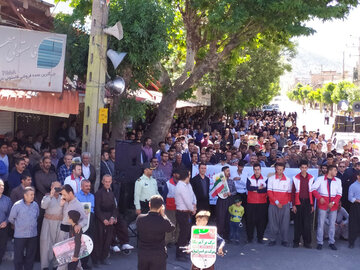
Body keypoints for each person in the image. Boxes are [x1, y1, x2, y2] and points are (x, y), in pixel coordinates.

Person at [137, 195, 175, 270]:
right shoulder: (163, 221)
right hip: (158, 254)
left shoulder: (140, 218)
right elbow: (171, 228)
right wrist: (163, 215)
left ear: (149, 204)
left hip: (143, 253)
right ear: (161, 207)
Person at [311, 165, 342, 250]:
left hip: (333, 205)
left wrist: (333, 202)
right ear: (330, 171)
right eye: (335, 170)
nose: (336, 172)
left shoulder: (338, 181)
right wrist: (319, 197)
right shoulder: (320, 179)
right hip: (323, 203)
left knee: (332, 224)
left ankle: (332, 242)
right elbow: (313, 189)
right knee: (321, 224)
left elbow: (339, 193)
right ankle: (319, 242)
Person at [57, 185, 87, 270]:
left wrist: (79, 225)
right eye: (62, 195)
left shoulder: (78, 205)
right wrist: (61, 206)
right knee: (72, 259)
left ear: (70, 193)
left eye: (64, 195)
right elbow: (61, 216)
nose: (63, 197)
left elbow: (85, 219)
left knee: (64, 258)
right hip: (62, 231)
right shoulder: (65, 201)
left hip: (71, 233)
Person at [8, 187, 39, 270]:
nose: (33, 196)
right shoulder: (17, 205)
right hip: (20, 235)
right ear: (25, 195)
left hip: (32, 235)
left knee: (30, 257)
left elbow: (37, 216)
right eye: (31, 195)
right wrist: (19, 225)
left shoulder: (35, 205)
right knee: (18, 257)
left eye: (33, 194)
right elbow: (11, 218)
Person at [267, 162, 292, 247]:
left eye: (281, 169)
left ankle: (284, 240)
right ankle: (273, 239)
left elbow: (289, 194)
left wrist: (287, 203)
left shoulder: (288, 180)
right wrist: (277, 202)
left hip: (284, 205)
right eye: (277, 169)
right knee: (273, 222)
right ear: (275, 169)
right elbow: (269, 193)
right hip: (273, 204)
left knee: (285, 223)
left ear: (284, 170)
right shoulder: (271, 179)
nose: (279, 171)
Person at [95, 175, 117, 265]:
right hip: (100, 218)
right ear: (102, 182)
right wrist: (103, 219)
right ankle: (96, 260)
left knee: (108, 239)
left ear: (111, 182)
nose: (107, 183)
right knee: (99, 239)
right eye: (106, 181)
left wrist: (113, 217)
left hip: (110, 218)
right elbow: (97, 209)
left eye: (109, 181)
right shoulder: (98, 193)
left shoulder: (112, 193)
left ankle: (104, 258)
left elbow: (115, 208)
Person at [291, 160, 315, 249]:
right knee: (298, 223)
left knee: (307, 223)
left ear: (307, 168)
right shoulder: (295, 178)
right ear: (300, 168)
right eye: (302, 168)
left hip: (308, 202)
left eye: (305, 168)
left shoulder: (312, 178)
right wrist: (293, 205)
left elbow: (313, 193)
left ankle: (307, 242)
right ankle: (296, 242)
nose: (304, 169)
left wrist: (312, 205)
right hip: (298, 202)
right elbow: (293, 192)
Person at [40, 181, 63, 270]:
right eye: (55, 187)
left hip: (60, 224)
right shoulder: (46, 197)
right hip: (48, 223)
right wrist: (51, 195)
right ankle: (44, 266)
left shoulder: (63, 198)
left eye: (59, 187)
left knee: (59, 244)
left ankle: (56, 265)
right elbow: (43, 206)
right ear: (51, 187)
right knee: (45, 244)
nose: (57, 190)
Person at [175, 169, 196, 261]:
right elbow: (187, 200)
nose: (190, 176)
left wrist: (194, 205)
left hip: (187, 212)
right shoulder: (180, 186)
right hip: (182, 212)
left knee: (186, 233)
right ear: (186, 176)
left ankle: (184, 251)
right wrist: (192, 209)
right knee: (183, 234)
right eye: (189, 174)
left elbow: (192, 196)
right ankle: (179, 254)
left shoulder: (187, 185)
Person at [76, 179, 96, 269]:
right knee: (81, 242)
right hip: (80, 219)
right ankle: (78, 264)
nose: (88, 188)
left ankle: (85, 263)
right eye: (86, 186)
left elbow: (92, 209)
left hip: (90, 219)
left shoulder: (92, 196)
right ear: (81, 186)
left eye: (89, 186)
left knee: (88, 241)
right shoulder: (76, 196)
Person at [246, 163, 268, 244]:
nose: (257, 171)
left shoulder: (265, 178)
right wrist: (259, 188)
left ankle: (260, 238)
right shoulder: (249, 178)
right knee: (250, 221)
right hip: (251, 203)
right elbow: (249, 188)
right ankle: (250, 238)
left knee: (261, 222)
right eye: (255, 169)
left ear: (260, 170)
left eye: (258, 169)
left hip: (262, 203)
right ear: (253, 170)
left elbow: (265, 190)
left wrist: (255, 189)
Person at [215, 166, 236, 240]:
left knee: (228, 218)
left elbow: (235, 191)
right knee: (220, 219)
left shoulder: (231, 181)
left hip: (229, 201)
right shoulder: (219, 181)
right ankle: (219, 236)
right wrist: (220, 193)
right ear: (223, 172)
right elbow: (215, 192)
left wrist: (230, 193)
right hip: (221, 201)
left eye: (229, 171)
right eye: (227, 171)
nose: (228, 172)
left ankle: (227, 237)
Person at [164, 169, 180, 246]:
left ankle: (176, 240)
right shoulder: (168, 183)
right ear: (174, 174)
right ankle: (168, 241)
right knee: (171, 224)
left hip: (180, 207)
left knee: (178, 225)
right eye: (178, 173)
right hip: (170, 207)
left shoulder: (182, 183)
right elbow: (164, 196)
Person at [0, 179, 12, 265]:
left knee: (2, 246)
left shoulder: (7, 200)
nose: (1, 187)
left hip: (3, 227)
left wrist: (6, 222)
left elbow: (10, 214)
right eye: (0, 185)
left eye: (3, 186)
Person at [348, 170, 360, 249]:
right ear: (358, 176)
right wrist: (358, 200)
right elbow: (350, 198)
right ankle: (351, 242)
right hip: (356, 206)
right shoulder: (353, 186)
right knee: (354, 224)